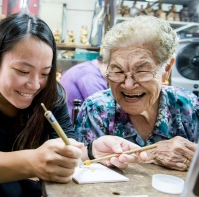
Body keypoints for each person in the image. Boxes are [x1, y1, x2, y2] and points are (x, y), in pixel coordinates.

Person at [0, 13, 148, 197]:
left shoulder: (52, 94)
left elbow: (67, 145)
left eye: (44, 73)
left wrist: (92, 151)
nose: (35, 84)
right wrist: (33, 162)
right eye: (22, 71)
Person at [75, 15, 198, 172]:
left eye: (142, 71)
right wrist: (152, 153)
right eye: (118, 71)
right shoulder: (97, 109)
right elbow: (81, 170)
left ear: (166, 70)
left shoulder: (188, 106)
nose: (128, 85)